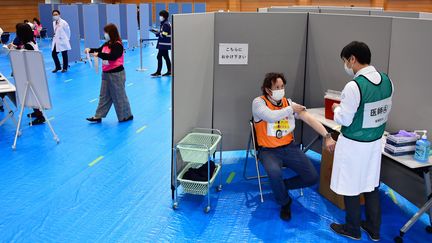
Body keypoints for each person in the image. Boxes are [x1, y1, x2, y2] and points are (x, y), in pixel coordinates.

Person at [329, 41, 393, 241]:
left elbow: (345, 119)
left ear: (352, 59)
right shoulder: (387, 80)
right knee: (371, 184)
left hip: (354, 144)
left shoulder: (354, 85)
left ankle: (352, 228)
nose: (346, 65)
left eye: (345, 61)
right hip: (374, 143)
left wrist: (336, 110)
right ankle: (374, 229)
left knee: (351, 186)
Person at [252, 72, 336, 221]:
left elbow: (309, 119)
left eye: (282, 86)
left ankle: (281, 187)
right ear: (267, 89)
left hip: (289, 148)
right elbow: (271, 116)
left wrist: (327, 136)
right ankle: (285, 202)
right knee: (274, 173)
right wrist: (292, 109)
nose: (280, 89)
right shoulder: (259, 103)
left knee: (312, 177)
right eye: (276, 87)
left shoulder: (288, 103)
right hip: (268, 151)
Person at [85, 24, 133, 123]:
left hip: (116, 74)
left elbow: (112, 56)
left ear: (111, 33)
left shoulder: (118, 45)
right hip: (106, 73)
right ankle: (98, 116)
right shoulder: (107, 43)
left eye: (106, 32)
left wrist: (100, 55)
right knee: (104, 95)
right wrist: (90, 49)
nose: (105, 34)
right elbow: (99, 50)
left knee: (119, 96)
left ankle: (126, 115)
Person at [16, 23, 46, 125]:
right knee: (32, 94)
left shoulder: (28, 45)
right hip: (34, 72)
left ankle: (40, 117)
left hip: (32, 74)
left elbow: (26, 60)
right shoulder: (31, 41)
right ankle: (36, 112)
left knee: (33, 95)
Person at [150, 10, 171, 77]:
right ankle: (169, 71)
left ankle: (158, 72)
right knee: (166, 57)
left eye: (161, 16)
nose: (160, 17)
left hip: (164, 44)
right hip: (164, 44)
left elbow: (164, 34)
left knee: (159, 56)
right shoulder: (165, 23)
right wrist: (158, 32)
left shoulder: (166, 24)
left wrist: (157, 33)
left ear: (164, 16)